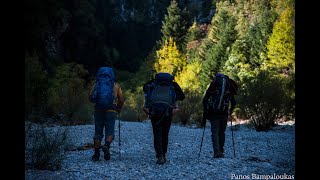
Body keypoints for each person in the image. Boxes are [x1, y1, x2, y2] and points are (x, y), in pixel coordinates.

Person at [143, 72, 185, 165]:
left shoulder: (152, 85)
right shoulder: (172, 86)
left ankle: (160, 155)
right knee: (165, 134)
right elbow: (181, 97)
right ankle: (164, 155)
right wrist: (174, 109)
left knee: (157, 134)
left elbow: (146, 100)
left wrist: (149, 113)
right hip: (168, 112)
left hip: (155, 112)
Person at [89, 67, 125, 162]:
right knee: (110, 132)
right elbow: (121, 99)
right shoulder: (116, 85)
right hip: (111, 111)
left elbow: (90, 97)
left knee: (98, 132)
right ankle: (106, 146)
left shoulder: (97, 84)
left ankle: (96, 155)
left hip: (98, 110)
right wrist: (118, 108)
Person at [202, 73, 237, 158]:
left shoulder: (213, 85)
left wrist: (206, 109)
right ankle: (221, 150)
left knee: (215, 132)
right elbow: (234, 102)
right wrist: (230, 110)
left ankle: (217, 152)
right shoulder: (228, 87)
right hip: (224, 112)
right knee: (222, 132)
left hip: (214, 112)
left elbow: (205, 99)